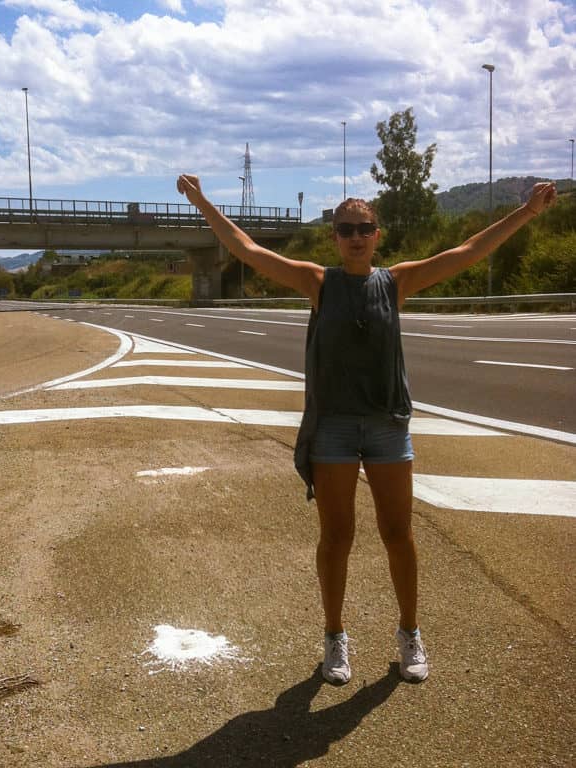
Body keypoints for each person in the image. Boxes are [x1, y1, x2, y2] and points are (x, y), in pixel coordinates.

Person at [176, 174, 557, 684]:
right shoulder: (317, 282)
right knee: (336, 537)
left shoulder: (395, 282)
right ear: (334, 236)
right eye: (346, 228)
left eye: (365, 227)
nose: (356, 236)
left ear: (378, 234)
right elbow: (245, 248)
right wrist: (202, 202)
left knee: (398, 533)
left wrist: (527, 213)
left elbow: (466, 251)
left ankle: (409, 633)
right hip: (333, 426)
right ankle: (335, 638)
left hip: (386, 425)